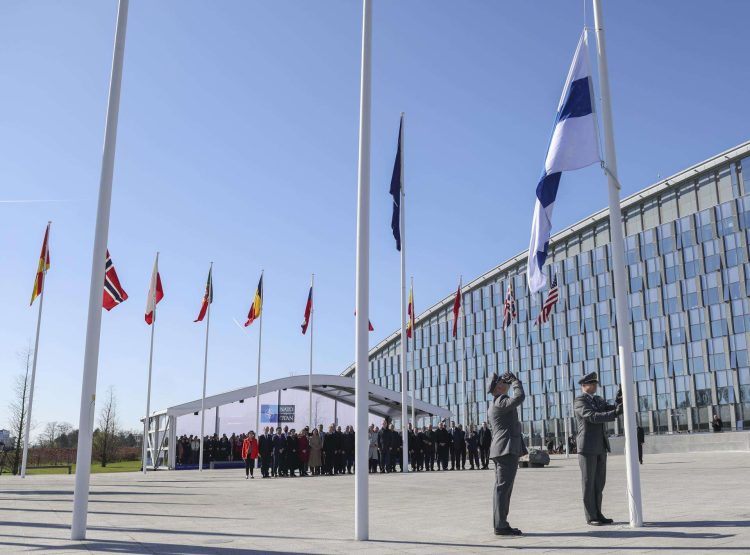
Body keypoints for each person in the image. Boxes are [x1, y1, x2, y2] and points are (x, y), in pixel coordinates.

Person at [574, 371, 622, 526]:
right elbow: (592, 416)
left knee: (599, 483)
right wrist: (614, 413)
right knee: (588, 483)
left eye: (595, 384)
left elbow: (611, 408)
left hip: (600, 446)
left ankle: (598, 513)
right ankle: (591, 516)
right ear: (584, 385)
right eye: (592, 384)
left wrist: (619, 398)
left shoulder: (598, 399)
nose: (595, 386)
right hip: (587, 447)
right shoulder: (580, 401)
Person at [488, 371, 527, 536]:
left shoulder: (495, 403)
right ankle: (501, 525)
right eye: (504, 382)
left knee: (501, 489)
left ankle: (500, 523)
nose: (508, 384)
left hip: (502, 449)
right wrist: (517, 382)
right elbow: (519, 398)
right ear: (498, 386)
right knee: (503, 489)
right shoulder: (501, 401)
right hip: (506, 450)